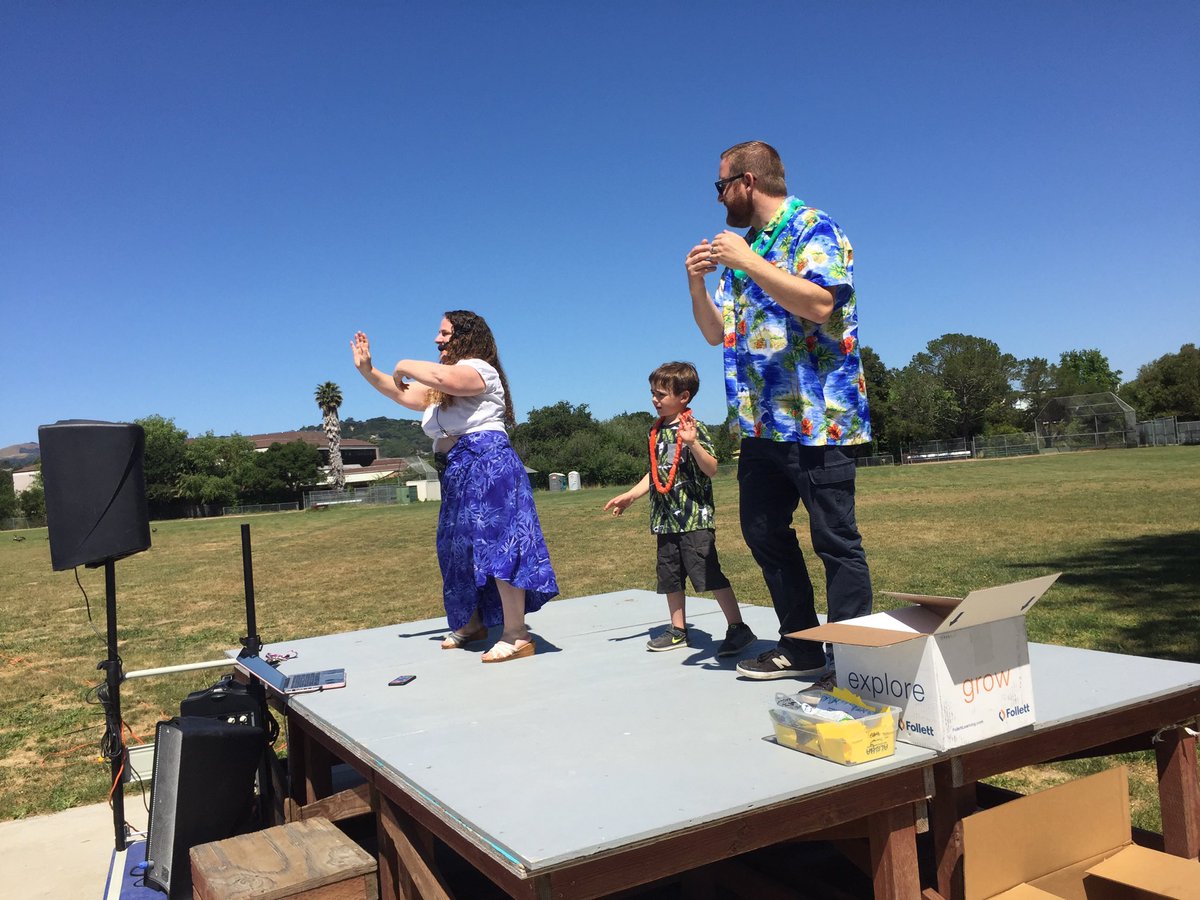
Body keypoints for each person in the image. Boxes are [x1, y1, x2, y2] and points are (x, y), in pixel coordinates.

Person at [684, 140, 872, 681]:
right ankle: (802, 644)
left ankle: (853, 659)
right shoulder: (747, 246)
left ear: (746, 181)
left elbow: (819, 303)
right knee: (762, 531)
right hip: (762, 424)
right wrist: (697, 283)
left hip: (819, 418)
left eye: (721, 186)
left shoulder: (813, 227)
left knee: (835, 541)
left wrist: (747, 261)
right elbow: (717, 332)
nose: (718, 197)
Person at [351, 310, 558, 663]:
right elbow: (406, 396)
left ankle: (517, 634)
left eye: (444, 333)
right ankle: (472, 622)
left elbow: (441, 377)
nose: (437, 339)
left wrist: (401, 363)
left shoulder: (479, 370)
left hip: (487, 464)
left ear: (466, 336)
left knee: (499, 545)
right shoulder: (441, 387)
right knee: (457, 549)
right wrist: (369, 371)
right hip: (457, 470)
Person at [603, 362, 756, 657]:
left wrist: (693, 444)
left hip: (693, 519)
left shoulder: (694, 429)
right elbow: (656, 472)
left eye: (661, 394)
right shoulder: (657, 431)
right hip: (665, 521)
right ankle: (678, 630)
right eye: (652, 393)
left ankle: (738, 628)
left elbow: (711, 468)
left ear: (683, 397)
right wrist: (631, 496)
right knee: (669, 576)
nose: (654, 399)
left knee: (708, 573)